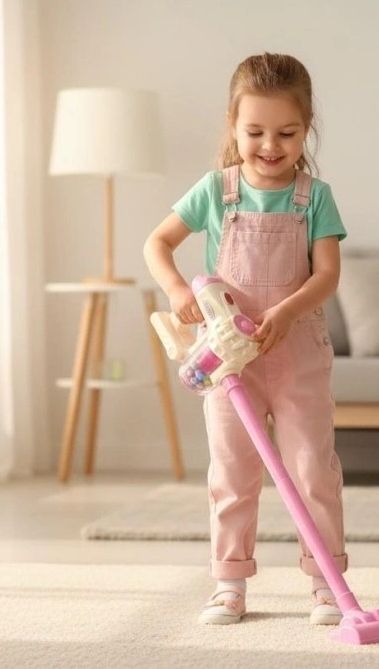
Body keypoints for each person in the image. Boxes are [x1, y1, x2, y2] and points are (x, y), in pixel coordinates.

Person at [143, 52, 348, 626]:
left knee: (312, 470)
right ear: (233, 126)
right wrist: (176, 289)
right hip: (228, 362)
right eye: (255, 131)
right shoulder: (216, 191)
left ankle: (327, 584)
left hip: (297, 354)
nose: (270, 145)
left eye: (286, 132)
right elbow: (157, 243)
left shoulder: (315, 196)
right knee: (232, 473)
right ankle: (229, 583)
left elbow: (327, 275)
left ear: (306, 128)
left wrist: (285, 311)